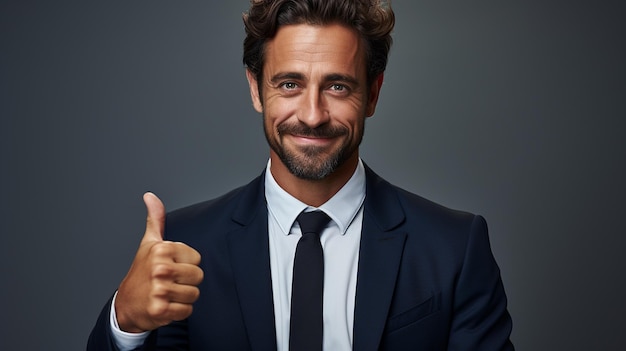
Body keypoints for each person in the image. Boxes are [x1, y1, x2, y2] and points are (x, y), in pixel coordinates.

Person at [88, 0, 514, 350]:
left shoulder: (454, 248)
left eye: (338, 86)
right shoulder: (184, 245)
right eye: (290, 84)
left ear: (374, 93)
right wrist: (126, 320)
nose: (312, 115)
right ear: (256, 89)